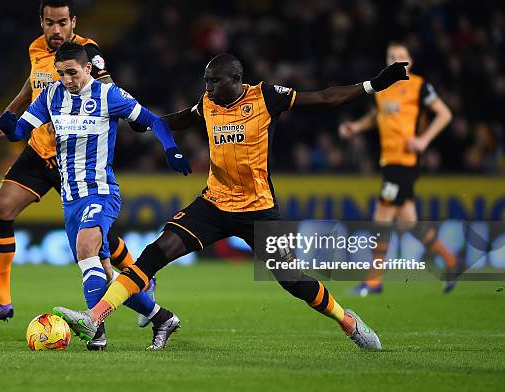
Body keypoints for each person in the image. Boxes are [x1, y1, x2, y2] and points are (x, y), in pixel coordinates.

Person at [56, 53, 410, 351]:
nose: (207, 88)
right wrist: (143, 120)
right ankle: (95, 317)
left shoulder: (266, 97)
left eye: (213, 81)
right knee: (153, 253)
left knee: (293, 281)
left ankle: (346, 320)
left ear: (236, 80)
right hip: (213, 204)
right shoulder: (208, 103)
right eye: (205, 81)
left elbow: (324, 98)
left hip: (258, 210)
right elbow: (176, 120)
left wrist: (373, 85)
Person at [0, 0, 156, 329]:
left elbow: (107, 87)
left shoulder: (88, 52)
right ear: (42, 22)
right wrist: (7, 114)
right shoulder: (36, 49)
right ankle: (1, 299)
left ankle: (140, 280)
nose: (55, 29)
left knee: (99, 241)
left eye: (62, 22)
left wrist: (127, 110)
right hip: (39, 153)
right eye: (49, 22)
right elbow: (31, 86)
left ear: (73, 22)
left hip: (75, 157)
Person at [0, 41, 191, 350]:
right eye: (61, 74)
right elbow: (22, 131)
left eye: (72, 73)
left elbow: (152, 120)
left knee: (87, 246)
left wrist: (171, 148)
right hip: (70, 198)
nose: (67, 80)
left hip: (100, 191)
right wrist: (10, 125)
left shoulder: (108, 95)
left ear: (88, 68)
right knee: (104, 274)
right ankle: (162, 318)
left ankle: (95, 327)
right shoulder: (51, 96)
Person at [339, 41, 458, 296]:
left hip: (404, 162)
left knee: (381, 216)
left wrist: (424, 140)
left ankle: (373, 281)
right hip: (389, 160)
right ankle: (451, 261)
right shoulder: (382, 88)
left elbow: (445, 114)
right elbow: (377, 116)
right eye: (392, 56)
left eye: (401, 57)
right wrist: (356, 127)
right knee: (408, 222)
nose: (396, 60)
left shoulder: (419, 85)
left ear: (410, 61)